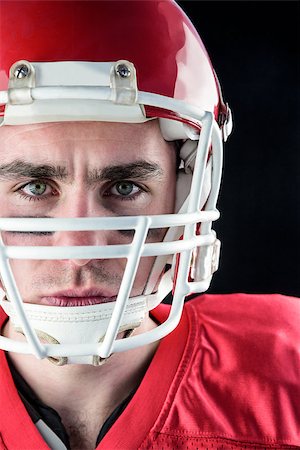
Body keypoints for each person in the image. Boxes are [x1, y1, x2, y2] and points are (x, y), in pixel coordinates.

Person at [0, 1, 299, 449]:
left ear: (184, 194)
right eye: (35, 188)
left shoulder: (288, 370)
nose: (78, 248)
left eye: (124, 188)